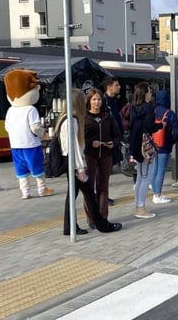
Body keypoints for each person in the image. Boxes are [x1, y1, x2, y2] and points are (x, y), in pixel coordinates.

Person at [59, 88, 121, 235]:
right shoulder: (72, 121)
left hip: (75, 162)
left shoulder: (67, 118)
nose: (95, 102)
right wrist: (81, 168)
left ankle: (71, 226)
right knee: (89, 195)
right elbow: (75, 147)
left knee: (76, 194)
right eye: (89, 99)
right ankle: (101, 225)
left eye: (98, 99)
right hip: (76, 164)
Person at [2, 69, 54, 199]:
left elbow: (7, 127)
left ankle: (25, 192)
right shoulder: (30, 109)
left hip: (15, 145)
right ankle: (42, 189)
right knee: (37, 167)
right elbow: (35, 127)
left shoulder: (10, 110)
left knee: (21, 170)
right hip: (30, 144)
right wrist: (44, 134)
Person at [82, 88, 122, 231]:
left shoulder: (108, 117)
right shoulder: (84, 117)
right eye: (94, 99)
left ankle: (103, 216)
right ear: (89, 101)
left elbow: (117, 135)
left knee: (103, 186)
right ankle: (91, 218)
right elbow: (80, 138)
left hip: (106, 155)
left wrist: (113, 143)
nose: (97, 102)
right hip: (90, 155)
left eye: (99, 99)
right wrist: (90, 143)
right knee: (89, 187)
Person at [128, 82, 162, 219]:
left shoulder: (133, 107)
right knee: (145, 177)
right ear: (145, 93)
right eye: (149, 91)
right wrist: (160, 125)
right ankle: (140, 207)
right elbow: (150, 126)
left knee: (140, 178)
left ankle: (138, 205)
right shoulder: (148, 108)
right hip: (145, 146)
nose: (151, 93)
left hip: (135, 145)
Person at [151, 90, 178, 204]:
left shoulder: (153, 111)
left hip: (153, 144)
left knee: (155, 169)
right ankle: (158, 195)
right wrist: (172, 142)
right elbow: (176, 130)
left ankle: (154, 193)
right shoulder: (169, 113)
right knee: (161, 170)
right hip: (164, 145)